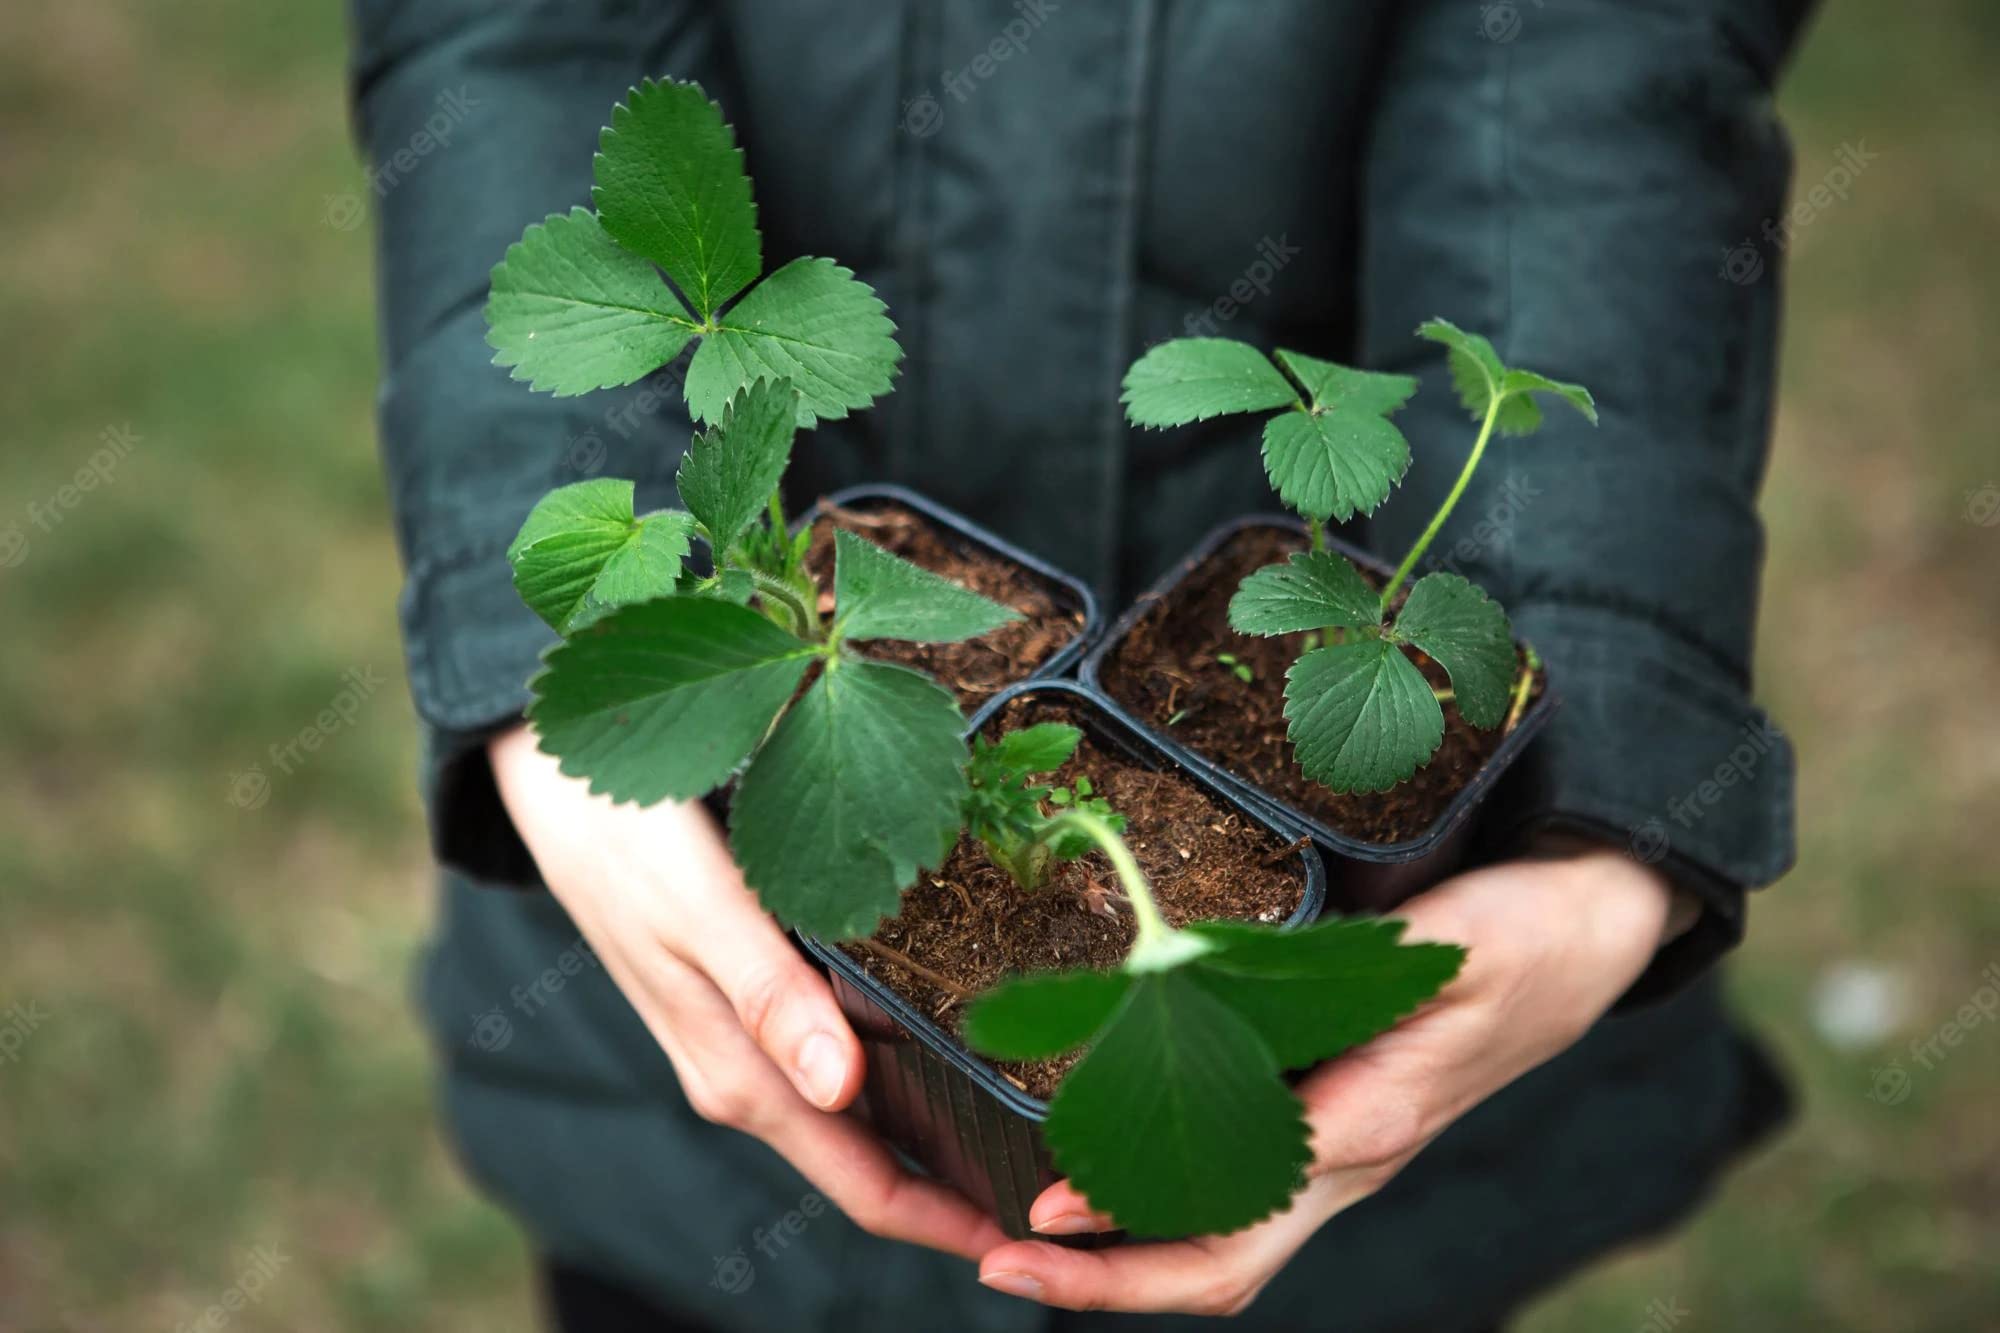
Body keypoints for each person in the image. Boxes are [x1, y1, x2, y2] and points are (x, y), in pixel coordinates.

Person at [348, 1, 1811, 1327]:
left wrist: (1602, 764)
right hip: (679, 1163)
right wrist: (554, 689)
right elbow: (509, 39)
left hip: (1373, 1241)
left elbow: (1602, 73)